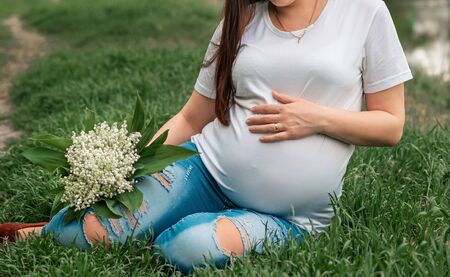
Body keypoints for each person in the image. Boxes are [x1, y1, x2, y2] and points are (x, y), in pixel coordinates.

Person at [0, 0, 413, 273]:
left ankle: (166, 224)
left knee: (184, 250)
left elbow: (391, 125)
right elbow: (192, 116)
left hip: (289, 216)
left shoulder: (364, 11)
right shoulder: (241, 18)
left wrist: (317, 118)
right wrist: (128, 165)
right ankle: (42, 230)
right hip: (204, 169)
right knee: (87, 235)